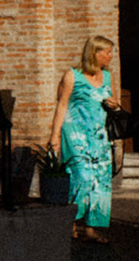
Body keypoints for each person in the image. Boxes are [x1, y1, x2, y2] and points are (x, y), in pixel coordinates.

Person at [46, 36, 122, 243]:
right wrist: (54, 136)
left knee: (100, 181)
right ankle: (71, 224)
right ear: (94, 53)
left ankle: (91, 228)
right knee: (79, 177)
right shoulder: (73, 76)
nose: (110, 56)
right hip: (76, 135)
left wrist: (113, 105)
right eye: (106, 52)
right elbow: (61, 105)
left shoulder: (108, 76)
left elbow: (115, 105)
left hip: (99, 136)